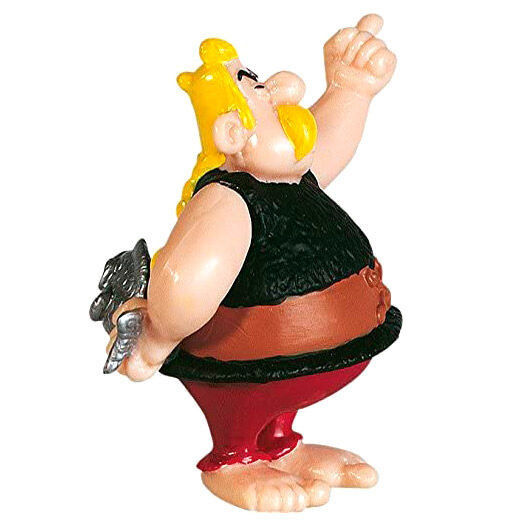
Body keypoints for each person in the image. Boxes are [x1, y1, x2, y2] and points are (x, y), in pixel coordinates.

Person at [104, 14, 401, 511]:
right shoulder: (227, 200)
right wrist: (158, 335)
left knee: (276, 393)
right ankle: (234, 455)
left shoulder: (287, 179)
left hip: (306, 359)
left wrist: (350, 88)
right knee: (249, 396)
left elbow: (324, 143)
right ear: (232, 131)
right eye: (258, 88)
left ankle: (280, 443)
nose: (281, 91)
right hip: (241, 361)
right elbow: (190, 278)